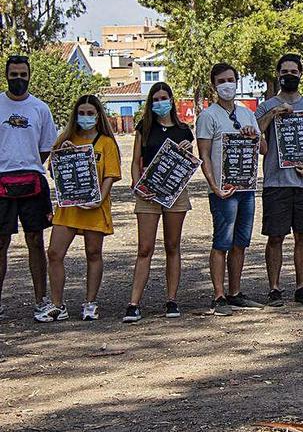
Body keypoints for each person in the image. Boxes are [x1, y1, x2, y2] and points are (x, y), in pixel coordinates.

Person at [35, 95, 121, 322]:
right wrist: (63, 153)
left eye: (90, 113)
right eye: (81, 113)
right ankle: (57, 304)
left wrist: (99, 199)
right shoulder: (66, 138)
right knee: (54, 252)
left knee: (93, 253)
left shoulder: (106, 142)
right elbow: (54, 172)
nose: (85, 117)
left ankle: (90, 302)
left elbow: (110, 176)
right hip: (69, 207)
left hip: (94, 206)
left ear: (98, 115)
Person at [255, 53, 303, 306]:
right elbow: (256, 137)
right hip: (276, 181)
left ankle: (302, 286)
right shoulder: (266, 107)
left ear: (300, 74)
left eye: (293, 72)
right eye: (284, 72)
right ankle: (274, 287)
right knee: (275, 236)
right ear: (277, 74)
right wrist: (273, 113)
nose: (289, 76)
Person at [196, 63, 265, 316]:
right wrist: (214, 186)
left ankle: (235, 292)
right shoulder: (208, 116)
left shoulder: (248, 114)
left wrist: (253, 136)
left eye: (231, 79)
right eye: (222, 80)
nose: (228, 84)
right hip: (223, 189)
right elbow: (203, 154)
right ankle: (219, 295)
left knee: (241, 242)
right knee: (221, 241)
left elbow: (263, 148)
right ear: (214, 84)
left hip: (246, 187)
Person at [123, 82, 194, 322]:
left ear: (172, 100)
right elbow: (135, 161)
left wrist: (187, 149)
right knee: (145, 248)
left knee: (172, 246)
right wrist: (136, 184)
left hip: (175, 193)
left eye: (164, 98)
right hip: (148, 193)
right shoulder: (145, 128)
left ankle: (171, 300)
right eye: (155, 99)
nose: (159, 103)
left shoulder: (184, 130)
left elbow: (189, 163)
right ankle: (134, 303)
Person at [0, 55, 57, 319]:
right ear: (6, 75)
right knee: (1, 242)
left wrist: (29, 164)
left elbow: (46, 148)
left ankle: (41, 299)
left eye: (23, 74)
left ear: (29, 75)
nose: (18, 79)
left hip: (33, 180)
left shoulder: (40, 109)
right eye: (14, 75)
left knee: (35, 241)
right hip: (1, 182)